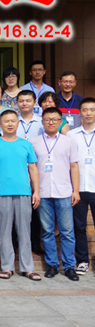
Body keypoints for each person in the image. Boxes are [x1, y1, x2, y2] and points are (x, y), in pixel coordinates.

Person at [0, 110, 41, 281]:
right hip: (2, 193)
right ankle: (7, 266)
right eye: (6, 121)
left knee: (24, 230)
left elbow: (33, 168)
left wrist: (36, 191)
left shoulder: (26, 144)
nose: (9, 124)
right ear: (0, 124)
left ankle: (27, 268)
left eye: (12, 121)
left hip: (24, 192)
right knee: (4, 231)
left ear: (17, 123)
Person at [31, 107, 80, 281]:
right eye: (47, 119)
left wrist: (76, 190)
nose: (51, 122)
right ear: (42, 121)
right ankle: (52, 264)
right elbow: (31, 168)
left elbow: (74, 166)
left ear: (60, 122)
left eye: (55, 119)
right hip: (43, 192)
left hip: (64, 191)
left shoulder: (69, 142)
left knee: (67, 231)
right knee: (47, 231)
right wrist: (34, 190)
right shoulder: (34, 142)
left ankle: (69, 266)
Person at [68, 97, 95, 275]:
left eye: (92, 110)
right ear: (80, 113)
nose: (89, 113)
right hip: (77, 189)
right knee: (79, 226)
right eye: (85, 110)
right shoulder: (72, 135)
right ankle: (83, 261)